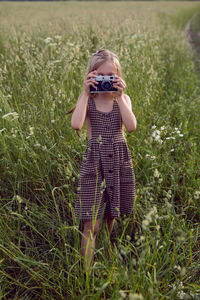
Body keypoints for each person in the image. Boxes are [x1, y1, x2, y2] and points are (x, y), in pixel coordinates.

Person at [70, 49, 137, 272]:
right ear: (91, 76)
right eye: (100, 77)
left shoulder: (123, 99)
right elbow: (76, 125)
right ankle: (87, 273)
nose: (105, 81)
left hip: (118, 161)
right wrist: (84, 93)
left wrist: (119, 96)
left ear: (118, 77)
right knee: (91, 222)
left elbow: (132, 126)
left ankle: (107, 259)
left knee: (110, 216)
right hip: (94, 165)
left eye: (111, 76)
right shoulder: (88, 102)